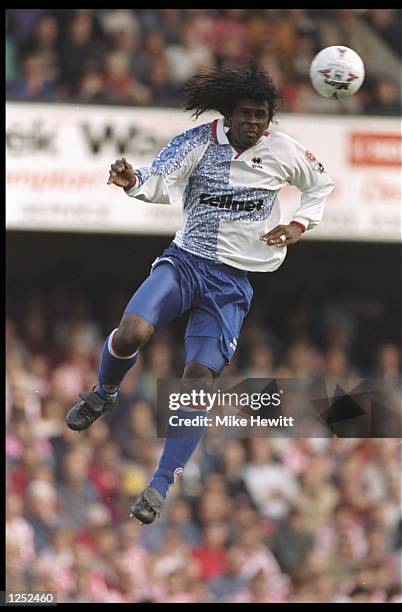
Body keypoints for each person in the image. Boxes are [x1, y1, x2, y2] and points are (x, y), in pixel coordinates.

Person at [66, 63, 333, 524]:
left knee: (196, 381)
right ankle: (104, 392)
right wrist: (133, 182)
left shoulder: (286, 152)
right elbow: (160, 177)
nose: (254, 123)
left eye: (262, 115)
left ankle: (161, 481)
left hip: (231, 283)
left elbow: (319, 186)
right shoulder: (197, 142)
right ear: (227, 116)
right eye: (246, 114)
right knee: (131, 331)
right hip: (186, 262)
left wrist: (297, 224)